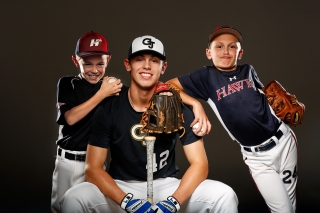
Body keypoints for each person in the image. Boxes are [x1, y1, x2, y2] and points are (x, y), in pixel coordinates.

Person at [59, 35, 239, 213]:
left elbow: (200, 164)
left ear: (163, 67)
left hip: (166, 185)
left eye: (154, 60)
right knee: (74, 197)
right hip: (121, 187)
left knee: (224, 195)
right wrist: (127, 202)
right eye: (139, 59)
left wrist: (173, 202)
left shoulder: (176, 105)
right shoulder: (109, 106)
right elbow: (92, 169)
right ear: (127, 65)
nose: (146, 66)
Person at [167, 25, 298, 213]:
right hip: (257, 157)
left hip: (284, 142)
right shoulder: (206, 76)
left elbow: (263, 98)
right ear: (208, 53)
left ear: (240, 52)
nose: (226, 51)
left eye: (232, 46)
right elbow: (168, 86)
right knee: (283, 209)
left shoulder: (249, 70)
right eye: (218, 46)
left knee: (291, 205)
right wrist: (196, 104)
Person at [51, 31, 123, 213]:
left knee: (96, 207)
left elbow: (139, 94)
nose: (94, 70)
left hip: (98, 164)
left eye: (100, 64)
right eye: (87, 64)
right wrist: (102, 94)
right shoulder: (68, 83)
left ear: (108, 59)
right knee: (61, 208)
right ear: (76, 61)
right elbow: (70, 118)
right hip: (69, 162)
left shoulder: (111, 86)